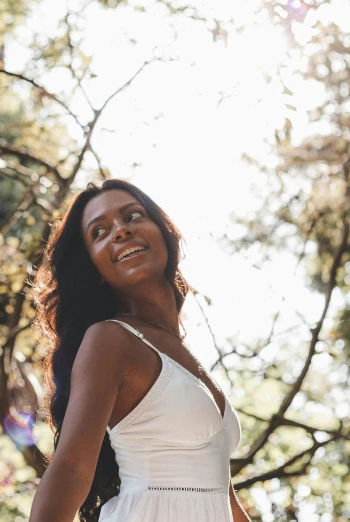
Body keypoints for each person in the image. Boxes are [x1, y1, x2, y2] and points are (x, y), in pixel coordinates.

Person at [29, 179, 251, 521]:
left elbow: (224, 498)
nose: (120, 231)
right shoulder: (110, 340)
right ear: (96, 270)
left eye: (133, 216)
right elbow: (72, 470)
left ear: (164, 233)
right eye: (100, 232)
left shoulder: (184, 353)